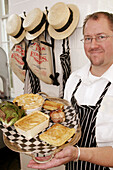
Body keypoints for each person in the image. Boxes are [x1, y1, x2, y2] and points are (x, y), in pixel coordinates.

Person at [27, 11, 113, 170]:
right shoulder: (74, 80)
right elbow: (65, 130)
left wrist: (78, 153)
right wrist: (51, 149)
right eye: (88, 38)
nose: (93, 45)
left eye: (101, 36)